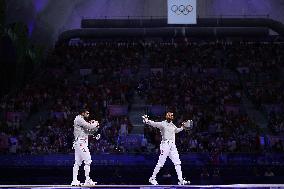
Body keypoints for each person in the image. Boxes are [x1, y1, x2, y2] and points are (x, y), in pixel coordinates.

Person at [142, 112, 190, 185]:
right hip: (165, 145)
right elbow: (154, 124)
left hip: (172, 146)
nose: (170, 117)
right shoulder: (162, 124)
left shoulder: (172, 125)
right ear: (166, 117)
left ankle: (180, 180)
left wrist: (182, 127)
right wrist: (147, 121)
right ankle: (152, 178)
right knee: (161, 163)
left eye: (171, 116)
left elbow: (176, 130)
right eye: (169, 116)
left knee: (177, 163)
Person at [71, 109, 100, 186]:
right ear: (82, 113)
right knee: (88, 160)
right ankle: (87, 180)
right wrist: (95, 123)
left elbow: (87, 131)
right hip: (81, 143)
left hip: (79, 143)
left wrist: (95, 132)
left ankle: (74, 180)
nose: (88, 114)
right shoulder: (79, 119)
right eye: (87, 113)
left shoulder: (81, 121)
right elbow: (89, 126)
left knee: (77, 162)